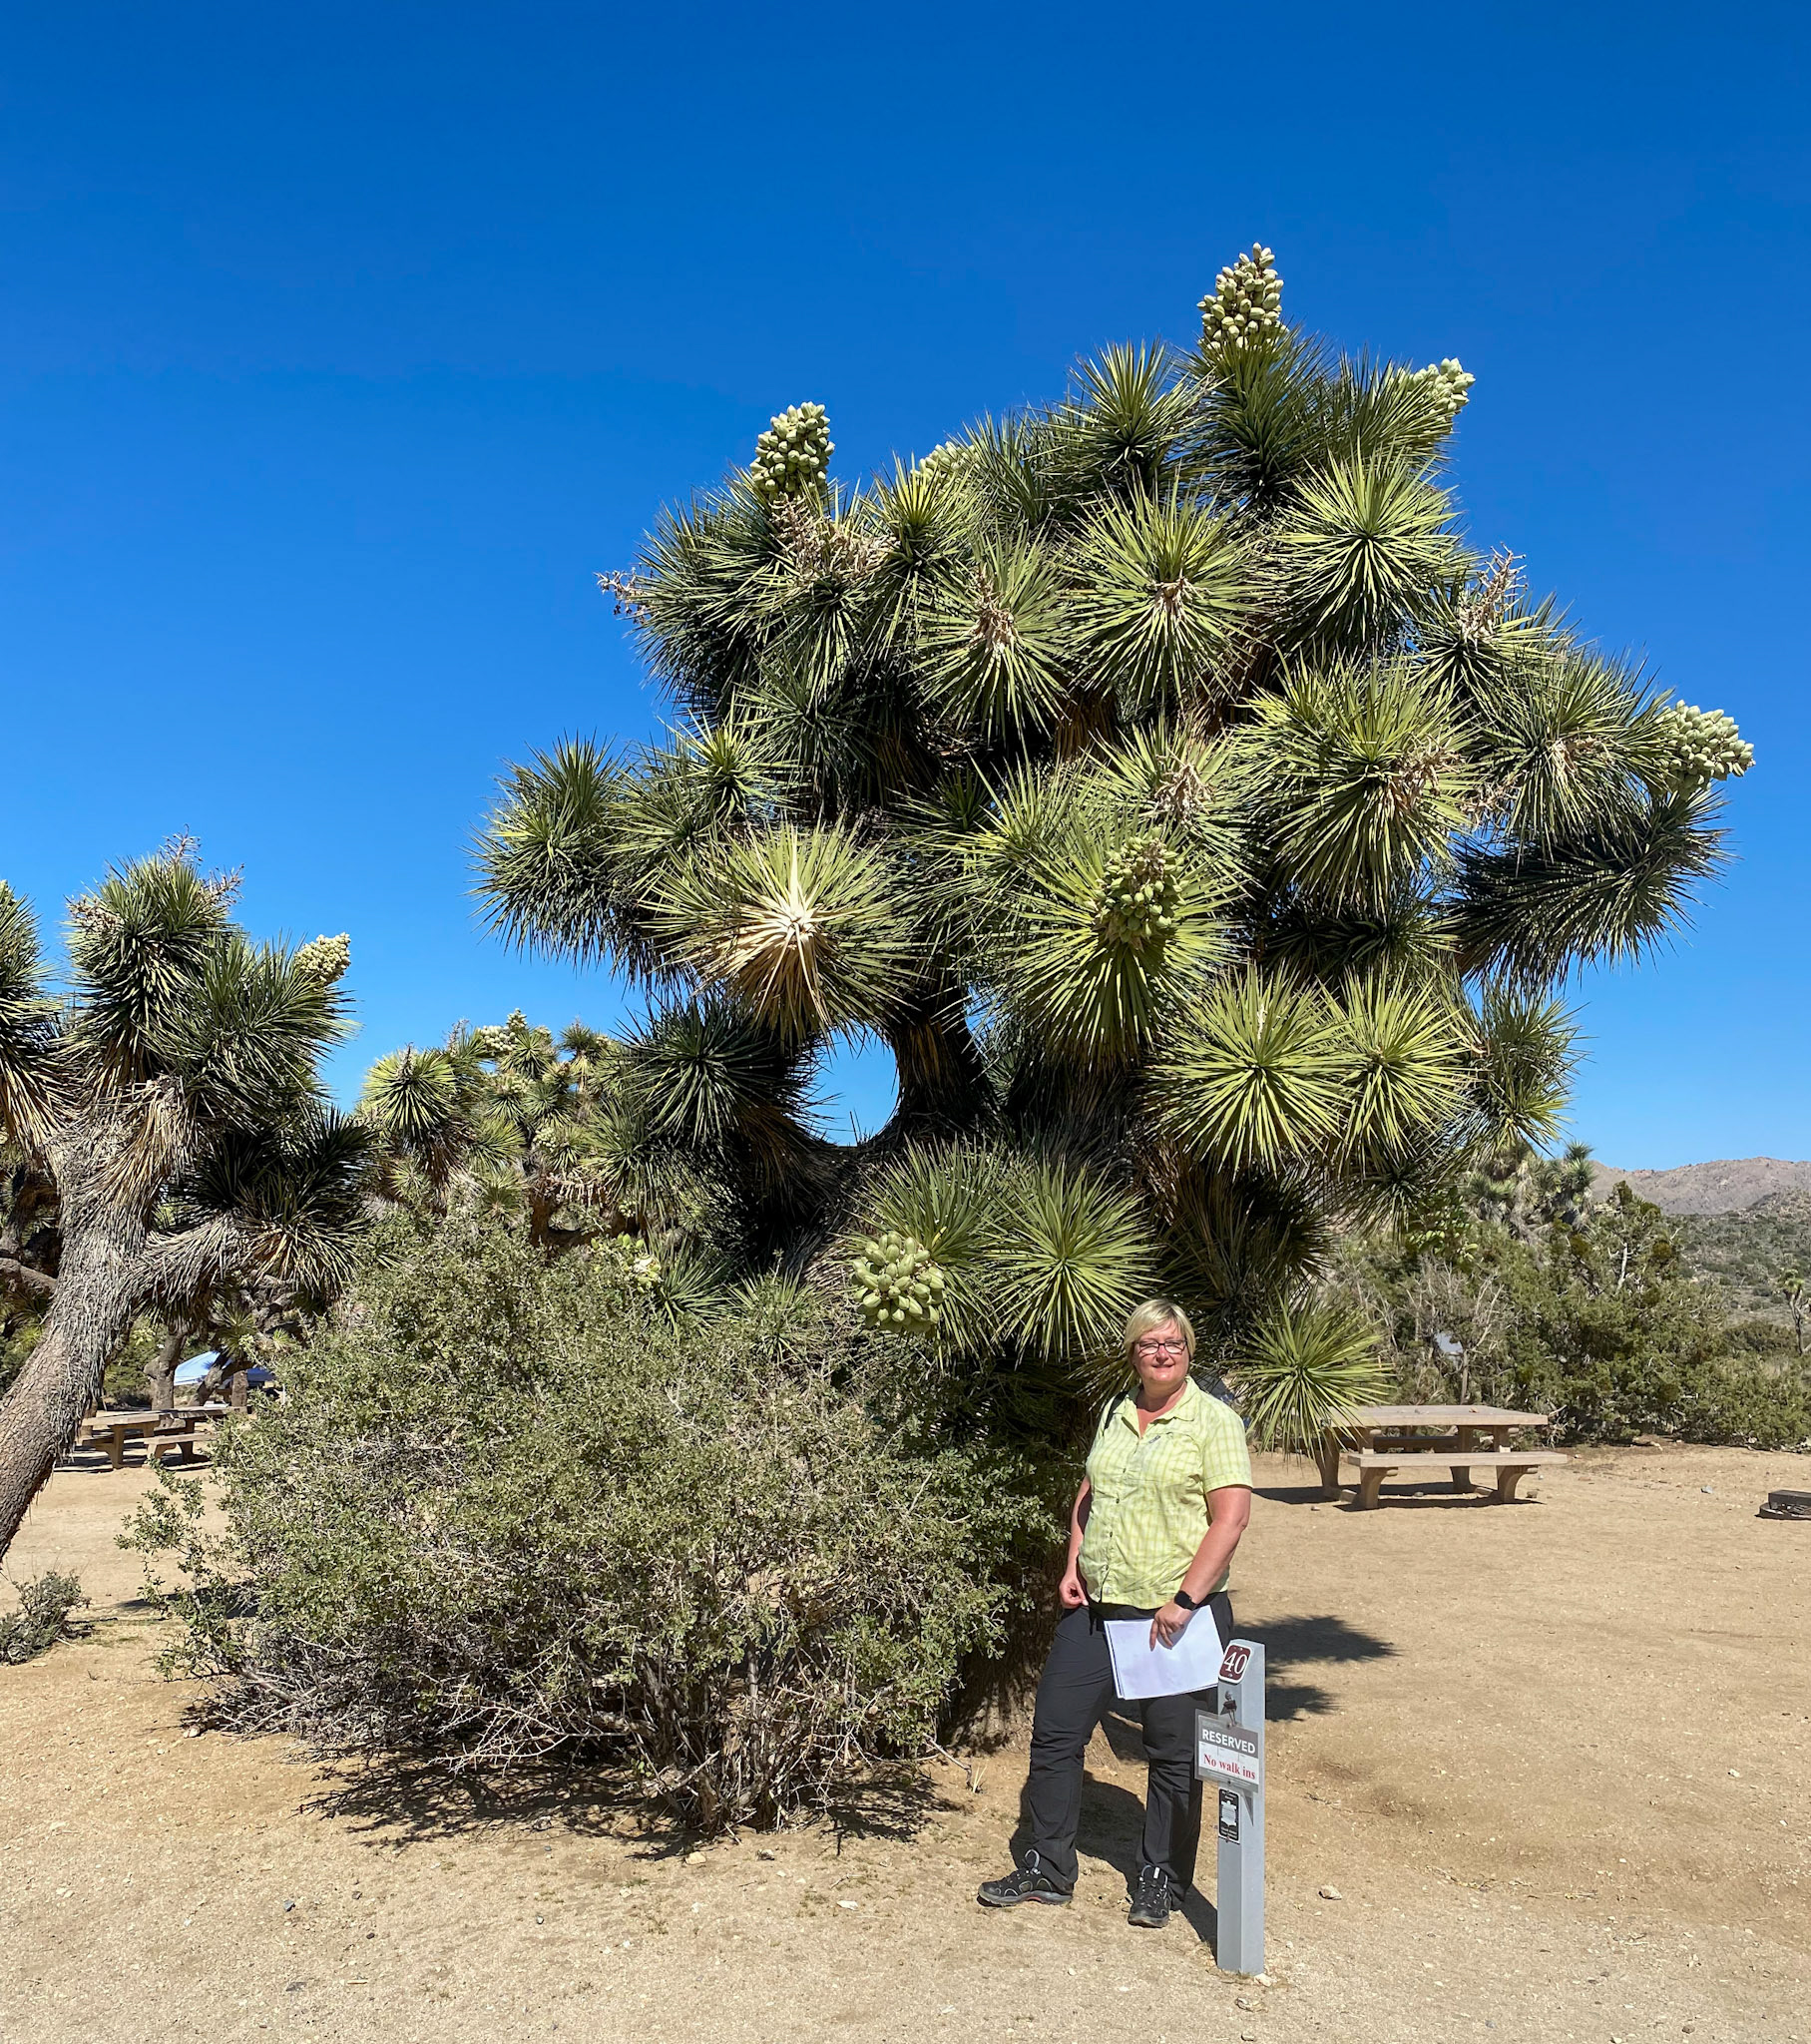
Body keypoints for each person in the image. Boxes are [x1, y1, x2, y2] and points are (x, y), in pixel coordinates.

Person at [977, 1298, 1253, 1931]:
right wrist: (1073, 1564)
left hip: (1172, 1615)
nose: (1162, 1354)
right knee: (1055, 1732)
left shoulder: (1213, 1421)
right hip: (1097, 1611)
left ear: (1189, 1352)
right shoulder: (1115, 1411)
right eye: (1149, 1344)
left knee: (1173, 1753)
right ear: (1132, 1352)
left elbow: (1230, 1519)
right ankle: (1046, 1868)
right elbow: (1090, 1491)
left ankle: (1160, 1878)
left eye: (1174, 1344)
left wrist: (1185, 1602)